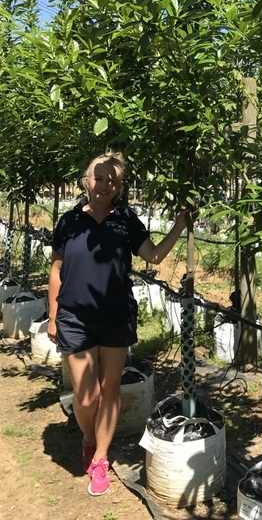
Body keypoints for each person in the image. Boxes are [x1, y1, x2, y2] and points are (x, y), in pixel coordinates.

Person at [47, 152, 190, 497]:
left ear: (119, 185)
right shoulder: (69, 221)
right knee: (86, 395)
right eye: (99, 177)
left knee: (110, 390)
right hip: (74, 317)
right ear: (88, 180)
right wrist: (52, 316)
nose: (105, 184)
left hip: (115, 316)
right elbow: (56, 270)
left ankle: (99, 459)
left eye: (112, 179)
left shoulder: (126, 220)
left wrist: (179, 226)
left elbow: (153, 255)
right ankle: (88, 436)